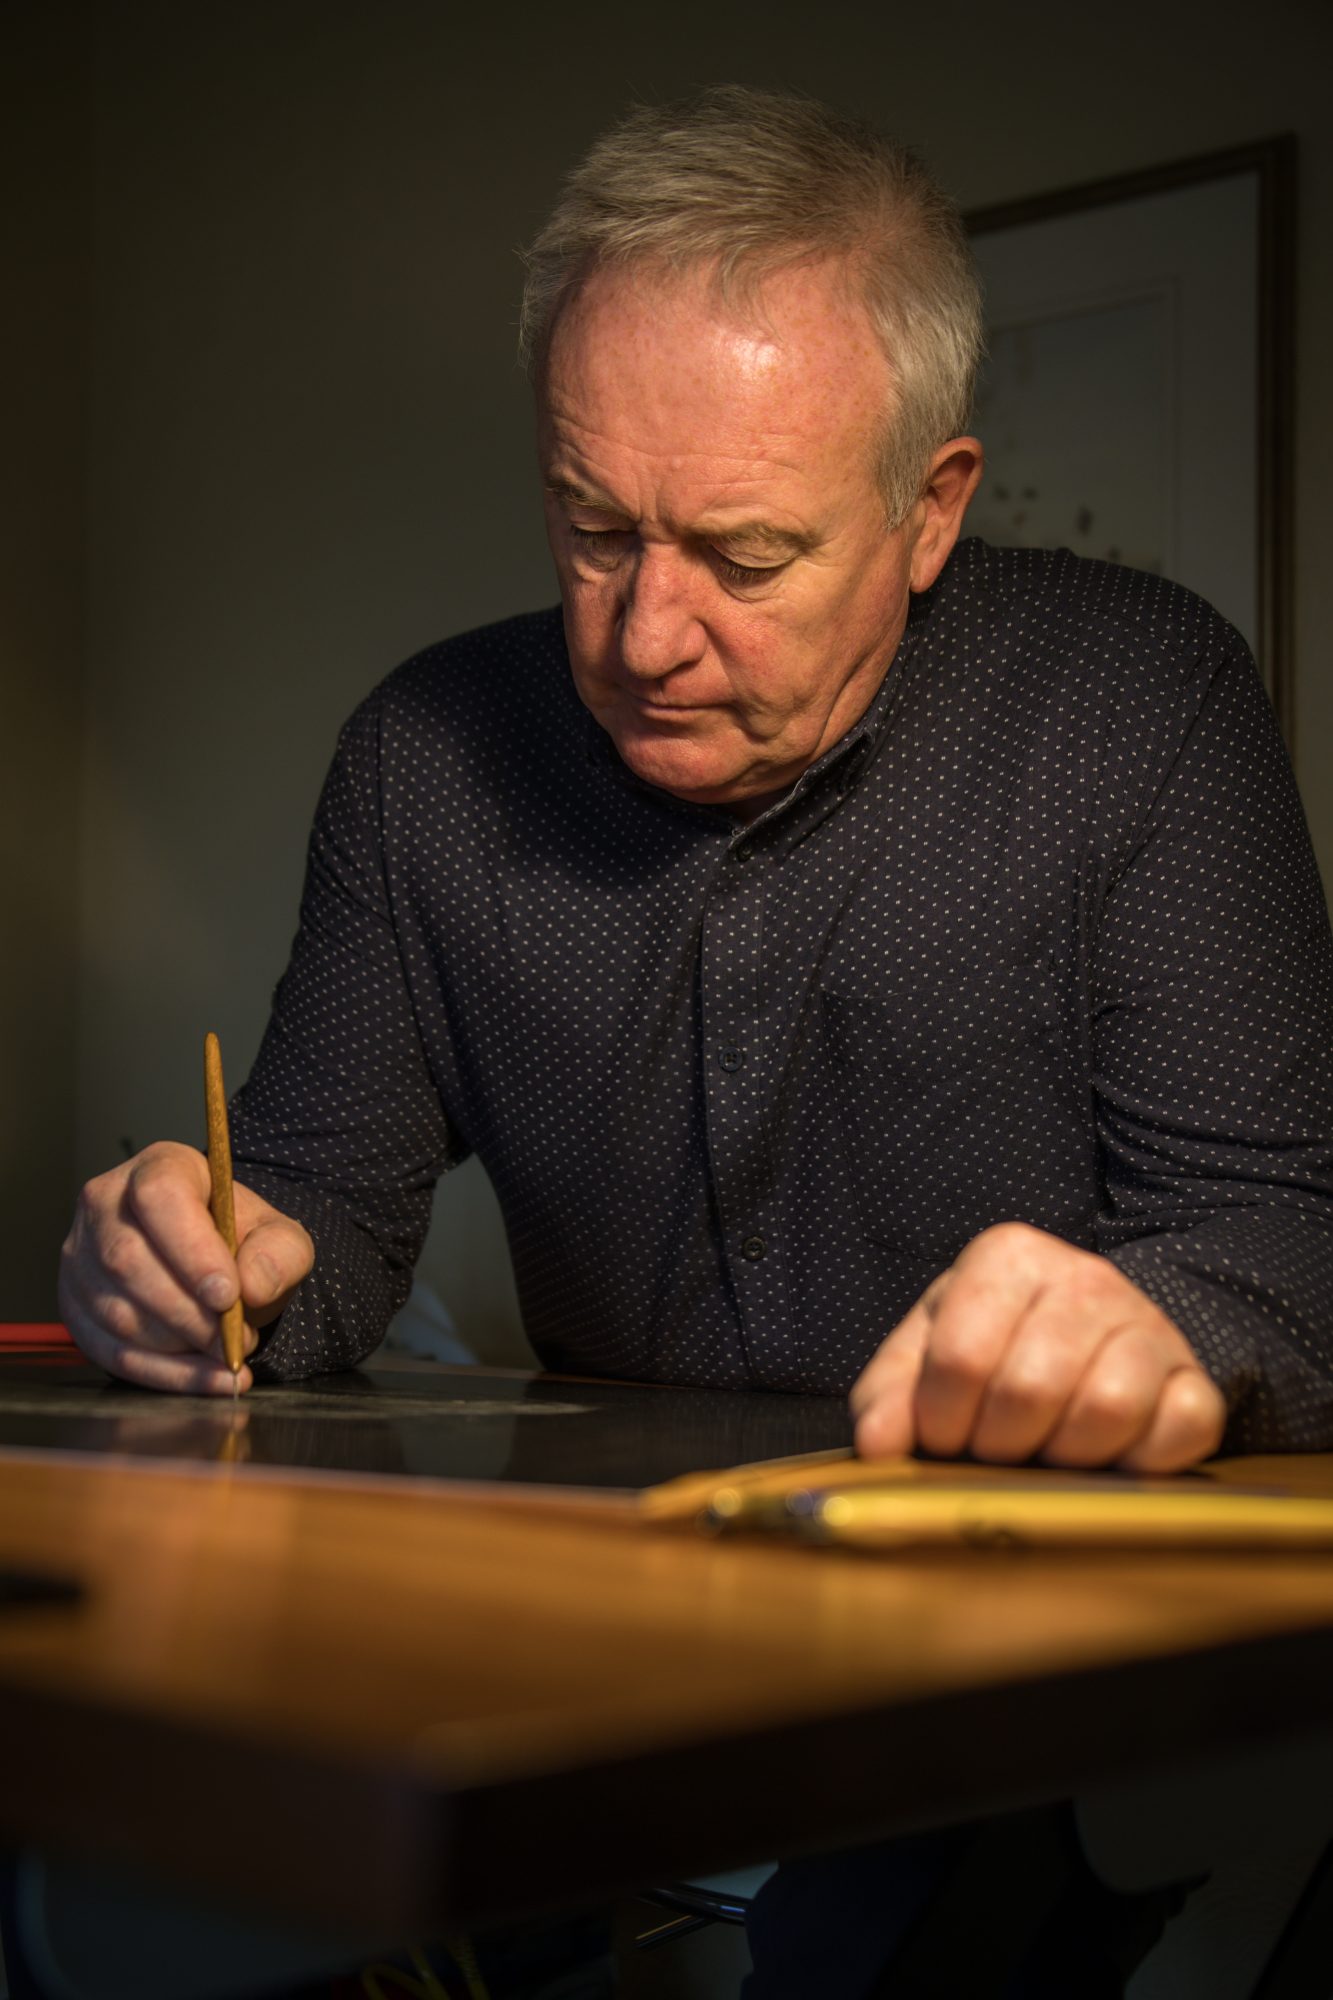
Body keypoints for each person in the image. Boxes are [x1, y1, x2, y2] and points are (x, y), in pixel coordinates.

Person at [52, 83, 1333, 1999]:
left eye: (742, 557)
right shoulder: (423, 757)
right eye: (591, 529)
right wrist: (210, 1266)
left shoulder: (1137, 708)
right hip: (584, 1638)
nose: (643, 635)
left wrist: (1175, 1326)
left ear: (931, 509)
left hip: (1004, 1658)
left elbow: (1289, 1240)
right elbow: (314, 1210)